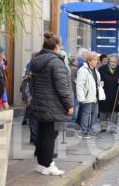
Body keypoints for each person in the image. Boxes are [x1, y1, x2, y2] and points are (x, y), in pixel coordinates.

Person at [29, 32, 74, 176]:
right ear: (56, 46)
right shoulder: (55, 62)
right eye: (60, 46)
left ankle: (42, 164)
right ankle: (48, 164)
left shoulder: (37, 60)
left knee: (42, 133)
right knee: (50, 135)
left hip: (40, 103)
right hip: (53, 105)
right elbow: (63, 87)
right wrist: (69, 105)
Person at [98, 54, 119, 133]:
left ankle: (112, 128)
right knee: (103, 111)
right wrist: (100, 83)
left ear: (117, 62)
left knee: (114, 112)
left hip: (116, 93)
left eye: (115, 62)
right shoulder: (102, 69)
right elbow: (98, 79)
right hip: (104, 93)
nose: (113, 63)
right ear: (108, 62)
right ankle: (103, 127)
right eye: (111, 62)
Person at [76, 52, 101, 138]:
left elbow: (96, 82)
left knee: (94, 114)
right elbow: (79, 85)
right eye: (94, 60)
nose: (96, 62)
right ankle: (83, 132)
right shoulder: (83, 70)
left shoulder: (96, 71)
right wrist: (81, 98)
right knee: (86, 114)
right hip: (87, 96)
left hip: (95, 96)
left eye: (97, 60)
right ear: (89, 61)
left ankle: (92, 131)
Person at [69, 57, 79, 122]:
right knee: (74, 106)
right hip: (74, 90)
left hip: (69, 90)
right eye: (76, 61)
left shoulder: (68, 68)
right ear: (73, 62)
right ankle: (73, 120)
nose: (77, 62)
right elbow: (77, 80)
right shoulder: (75, 69)